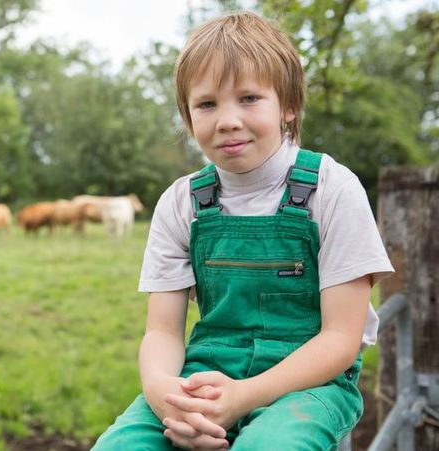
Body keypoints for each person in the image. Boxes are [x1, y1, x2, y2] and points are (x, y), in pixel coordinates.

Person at [92, 10, 394, 451]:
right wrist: (168, 400)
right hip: (206, 374)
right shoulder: (181, 203)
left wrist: (243, 398)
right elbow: (161, 332)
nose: (228, 120)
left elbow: (340, 339)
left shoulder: (332, 189)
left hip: (309, 384)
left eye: (249, 98)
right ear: (188, 115)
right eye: (207, 104)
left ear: (288, 105)